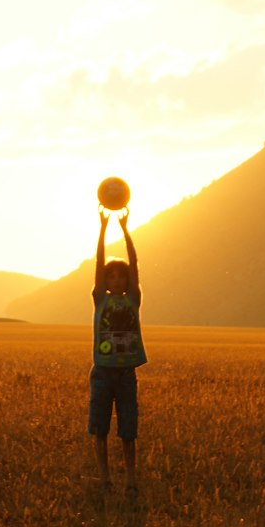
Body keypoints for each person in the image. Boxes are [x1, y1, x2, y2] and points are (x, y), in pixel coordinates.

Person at [88, 205, 147, 493]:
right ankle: (105, 479)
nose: (115, 280)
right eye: (110, 277)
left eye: (119, 276)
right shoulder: (100, 298)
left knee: (128, 429)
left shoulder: (134, 298)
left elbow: (134, 264)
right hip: (102, 372)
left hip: (125, 373)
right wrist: (102, 229)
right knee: (99, 428)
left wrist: (125, 231)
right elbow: (98, 265)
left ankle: (131, 480)